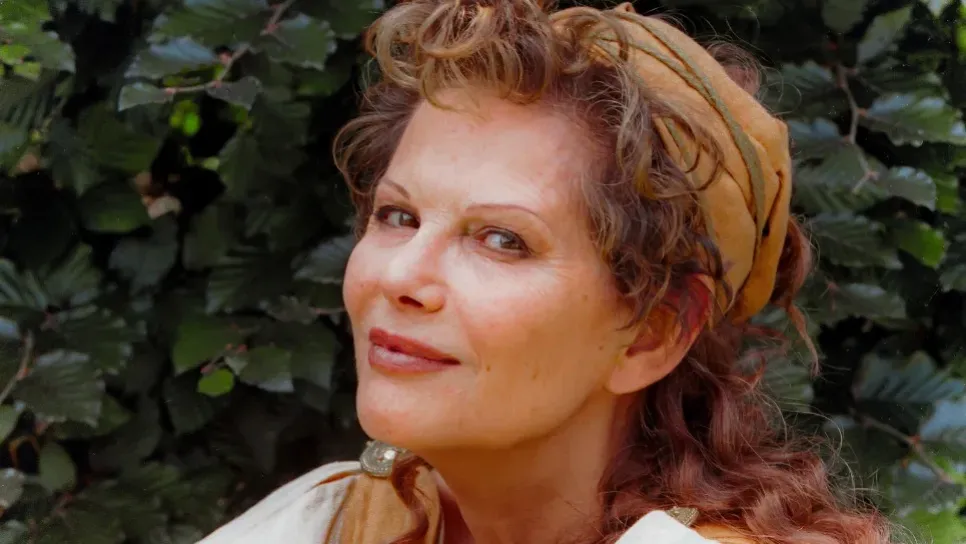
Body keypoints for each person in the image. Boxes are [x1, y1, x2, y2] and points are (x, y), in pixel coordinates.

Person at [199, 1, 894, 543]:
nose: (400, 276)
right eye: (398, 216)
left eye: (502, 239)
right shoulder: (323, 525)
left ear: (653, 331)